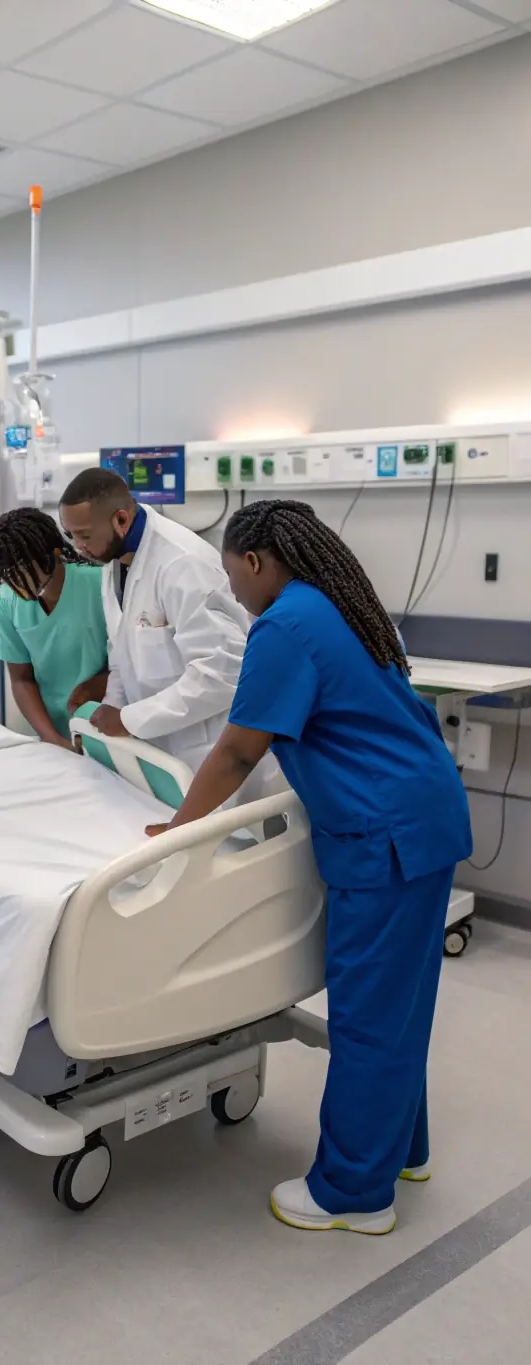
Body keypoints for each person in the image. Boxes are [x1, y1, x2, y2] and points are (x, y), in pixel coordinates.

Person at [147, 499, 472, 1235]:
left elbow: (239, 750)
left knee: (366, 1017)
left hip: (385, 834)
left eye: (233, 578)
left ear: (256, 561)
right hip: (423, 813)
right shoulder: (347, 604)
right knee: (399, 1005)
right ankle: (402, 1152)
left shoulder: (285, 626)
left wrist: (175, 832)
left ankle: (355, 1193)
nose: (234, 593)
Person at [58, 468, 250, 773]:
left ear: (121, 520)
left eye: (84, 535)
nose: (78, 546)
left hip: (206, 748)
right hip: (156, 750)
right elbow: (120, 653)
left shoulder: (183, 563)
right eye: (71, 535)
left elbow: (222, 673)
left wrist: (128, 719)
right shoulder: (113, 558)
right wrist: (111, 712)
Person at [0, 507, 108, 749]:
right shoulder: (7, 599)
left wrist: (95, 686)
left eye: (24, 569)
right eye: (8, 574)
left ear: (54, 553)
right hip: (49, 729)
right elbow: (21, 679)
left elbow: (127, 668)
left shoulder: (99, 584)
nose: (17, 583)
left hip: (104, 723)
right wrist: (52, 738)